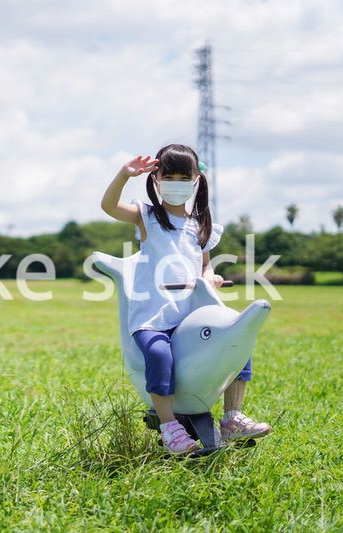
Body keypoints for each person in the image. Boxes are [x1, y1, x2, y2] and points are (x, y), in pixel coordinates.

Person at [100, 143, 270, 454]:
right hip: (153, 315)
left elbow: (204, 266)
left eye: (183, 177)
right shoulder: (148, 217)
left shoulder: (200, 224)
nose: (176, 183)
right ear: (156, 179)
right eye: (169, 176)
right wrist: (124, 175)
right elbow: (109, 206)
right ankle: (170, 428)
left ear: (196, 180)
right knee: (159, 355)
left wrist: (211, 278)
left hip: (190, 313)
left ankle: (232, 418)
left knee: (236, 339)